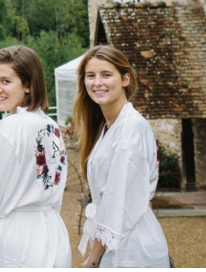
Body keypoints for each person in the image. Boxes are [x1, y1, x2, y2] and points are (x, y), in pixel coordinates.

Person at [0, 45, 71, 267]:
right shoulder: (52, 127)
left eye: (5, 81)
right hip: (52, 233)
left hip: (15, 236)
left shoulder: (10, 126)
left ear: (28, 85)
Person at [73, 45, 170, 268]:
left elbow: (117, 203)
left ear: (125, 79)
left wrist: (93, 257)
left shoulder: (131, 129)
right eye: (91, 76)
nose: (97, 82)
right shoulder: (107, 127)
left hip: (133, 248)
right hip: (116, 243)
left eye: (106, 75)